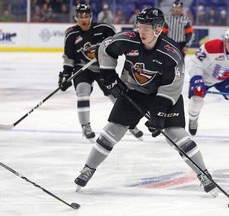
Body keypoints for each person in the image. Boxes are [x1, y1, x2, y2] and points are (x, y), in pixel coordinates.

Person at [74, 7, 218, 198]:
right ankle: (88, 169)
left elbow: (172, 86)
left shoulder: (171, 53)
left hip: (164, 96)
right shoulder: (127, 40)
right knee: (111, 131)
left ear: (158, 29)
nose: (141, 31)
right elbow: (105, 47)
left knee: (178, 135)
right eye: (140, 27)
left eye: (147, 28)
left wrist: (158, 113)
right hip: (134, 92)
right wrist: (109, 76)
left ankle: (204, 174)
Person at [58, 3, 143, 142]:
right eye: (80, 17)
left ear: (91, 17)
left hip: (104, 68)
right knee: (82, 90)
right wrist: (66, 74)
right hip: (82, 68)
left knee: (117, 95)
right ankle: (85, 126)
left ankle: (129, 124)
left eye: (86, 16)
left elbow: (116, 42)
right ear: (76, 18)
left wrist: (104, 50)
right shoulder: (71, 33)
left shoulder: (103, 28)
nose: (83, 19)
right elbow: (69, 56)